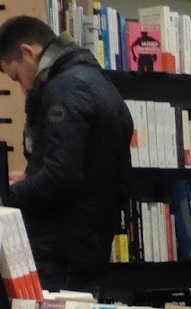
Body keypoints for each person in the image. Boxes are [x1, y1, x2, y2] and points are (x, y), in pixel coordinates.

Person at [0, 16, 133, 294]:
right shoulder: (94, 80)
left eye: (17, 76)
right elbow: (85, 165)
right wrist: (29, 178)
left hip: (60, 251)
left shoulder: (66, 88)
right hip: (86, 243)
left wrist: (7, 195)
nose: (23, 88)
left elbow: (60, 178)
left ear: (27, 52)